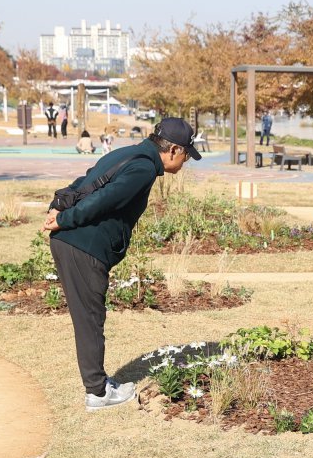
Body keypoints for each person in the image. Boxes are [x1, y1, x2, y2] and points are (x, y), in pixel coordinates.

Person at [43, 116, 201, 410]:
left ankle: (99, 384)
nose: (185, 162)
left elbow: (85, 180)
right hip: (82, 246)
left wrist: (57, 208)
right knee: (90, 319)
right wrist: (64, 218)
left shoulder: (129, 153)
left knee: (89, 317)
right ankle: (97, 393)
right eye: (187, 156)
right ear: (174, 150)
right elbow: (104, 199)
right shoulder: (143, 168)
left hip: (74, 243)